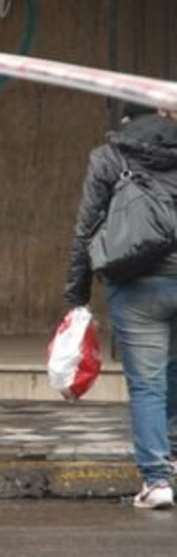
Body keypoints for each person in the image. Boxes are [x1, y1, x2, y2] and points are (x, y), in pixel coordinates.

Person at [64, 108, 177, 510]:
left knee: (147, 384)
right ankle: (173, 453)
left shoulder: (109, 157)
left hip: (135, 286)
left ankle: (157, 480)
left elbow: (86, 228)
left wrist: (77, 295)